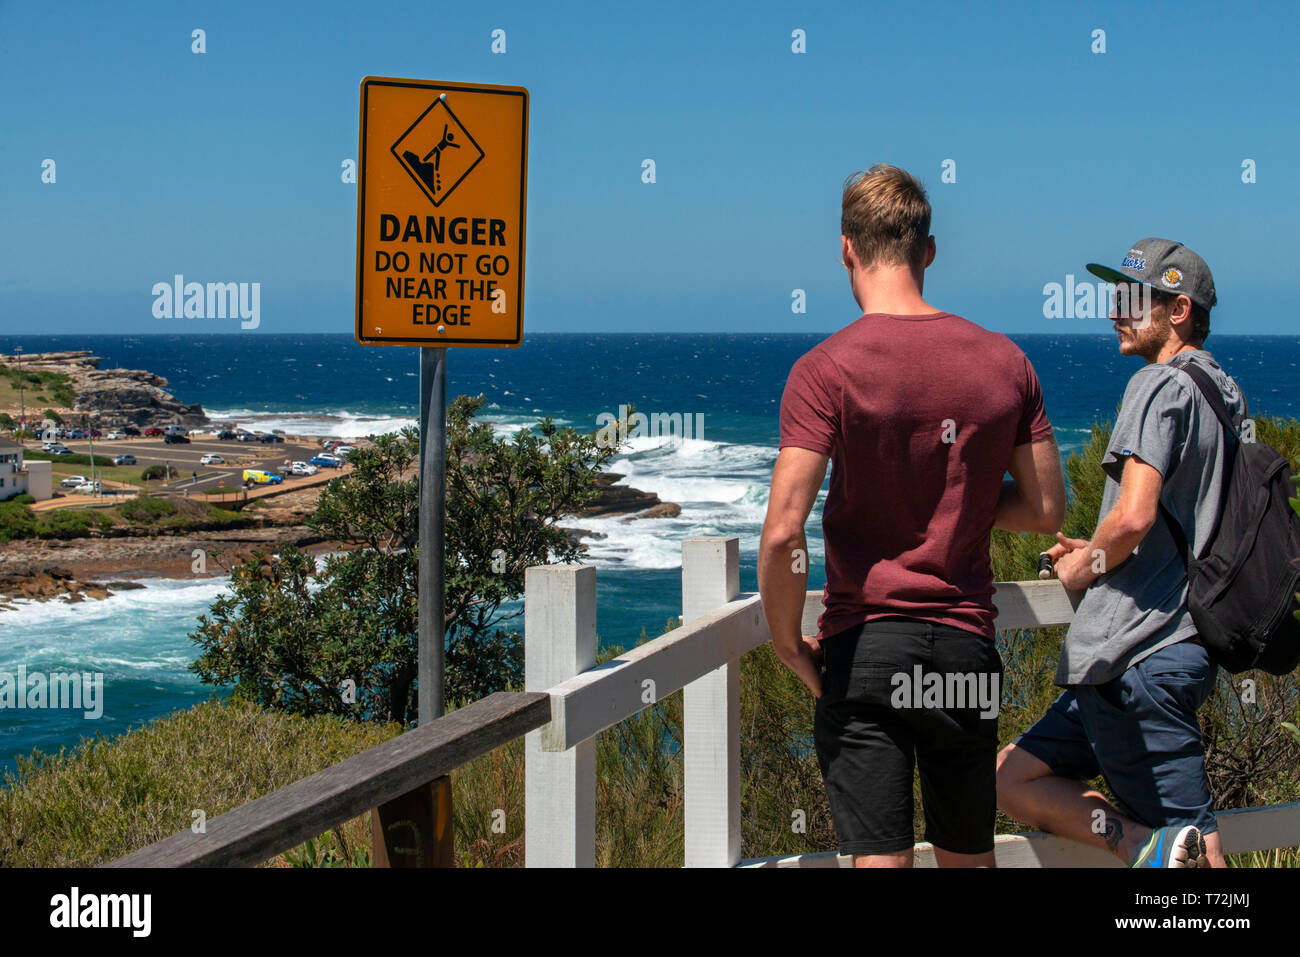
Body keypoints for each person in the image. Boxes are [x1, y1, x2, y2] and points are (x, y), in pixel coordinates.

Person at [758, 164, 1065, 868]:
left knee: (881, 862)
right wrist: (958, 497)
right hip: (964, 649)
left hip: (867, 648)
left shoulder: (824, 368)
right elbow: (1048, 506)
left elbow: (782, 531)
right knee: (969, 857)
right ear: (929, 250)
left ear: (845, 250)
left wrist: (786, 643)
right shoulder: (1005, 361)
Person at [996, 238, 1241, 868]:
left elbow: (1132, 516)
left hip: (1141, 657)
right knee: (1011, 775)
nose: (1114, 310)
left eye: (1133, 298)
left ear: (1178, 309)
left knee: (1200, 860)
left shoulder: (1157, 384)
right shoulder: (1223, 393)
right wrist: (1103, 549)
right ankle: (1141, 848)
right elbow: (1181, 519)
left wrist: (1085, 563)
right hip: (1147, 658)